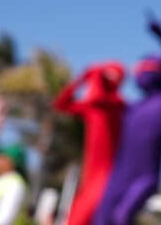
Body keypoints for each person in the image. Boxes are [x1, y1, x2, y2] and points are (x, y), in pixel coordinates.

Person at [92, 16, 161, 225]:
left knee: (121, 217)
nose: (140, 75)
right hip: (118, 176)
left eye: (146, 69)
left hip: (145, 177)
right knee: (101, 219)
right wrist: (98, 75)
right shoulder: (131, 108)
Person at [54, 63, 125, 225]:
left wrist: (93, 78)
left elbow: (102, 99)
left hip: (108, 173)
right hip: (90, 172)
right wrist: (81, 78)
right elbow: (61, 104)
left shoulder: (119, 106)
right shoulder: (93, 107)